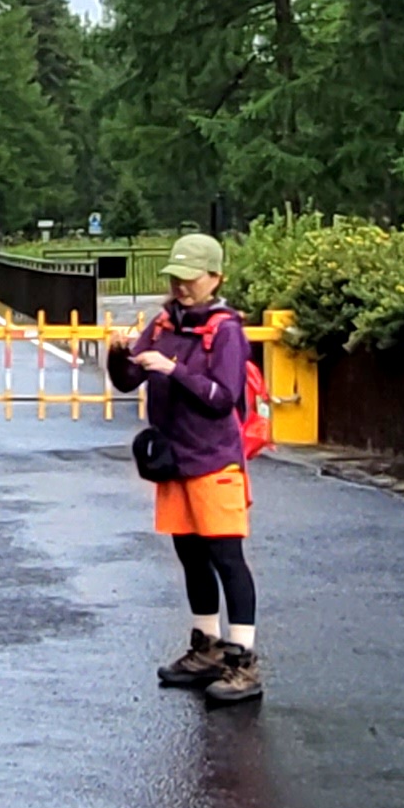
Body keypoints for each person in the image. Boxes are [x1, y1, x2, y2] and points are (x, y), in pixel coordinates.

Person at [107, 234, 262, 705]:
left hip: (214, 459)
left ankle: (243, 661)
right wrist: (117, 354)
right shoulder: (163, 323)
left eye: (190, 278)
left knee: (226, 557)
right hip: (174, 460)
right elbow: (128, 380)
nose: (181, 286)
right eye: (175, 277)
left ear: (215, 278)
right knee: (191, 555)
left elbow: (222, 397)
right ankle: (205, 647)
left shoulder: (226, 330)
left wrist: (173, 369)